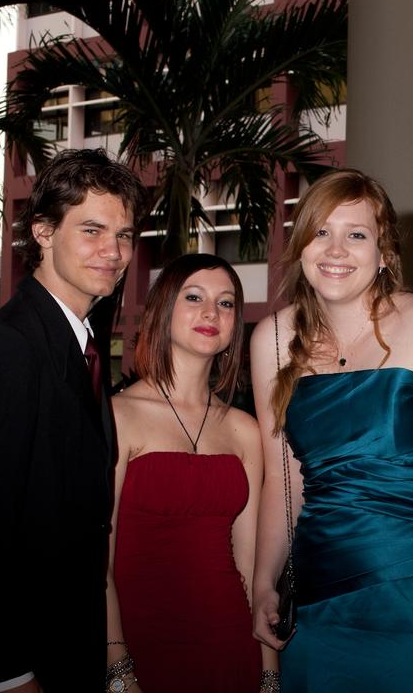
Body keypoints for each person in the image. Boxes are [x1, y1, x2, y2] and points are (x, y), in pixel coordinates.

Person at [250, 169, 413, 693]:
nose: (336, 249)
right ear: (300, 243)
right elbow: (283, 482)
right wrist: (263, 581)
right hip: (318, 604)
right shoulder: (272, 340)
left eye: (356, 234)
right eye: (321, 231)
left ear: (384, 252)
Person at [0, 149, 143, 693]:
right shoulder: (11, 349)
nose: (113, 251)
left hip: (68, 648)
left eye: (123, 235)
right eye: (93, 230)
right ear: (45, 231)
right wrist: (11, 677)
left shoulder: (80, 341)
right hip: (20, 667)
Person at [105, 254, 277, 692]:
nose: (210, 313)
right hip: (139, 645)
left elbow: (253, 566)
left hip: (229, 643)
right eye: (194, 297)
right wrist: (117, 664)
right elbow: (95, 563)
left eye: (226, 303)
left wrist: (270, 671)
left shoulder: (245, 429)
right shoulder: (117, 415)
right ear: (164, 309)